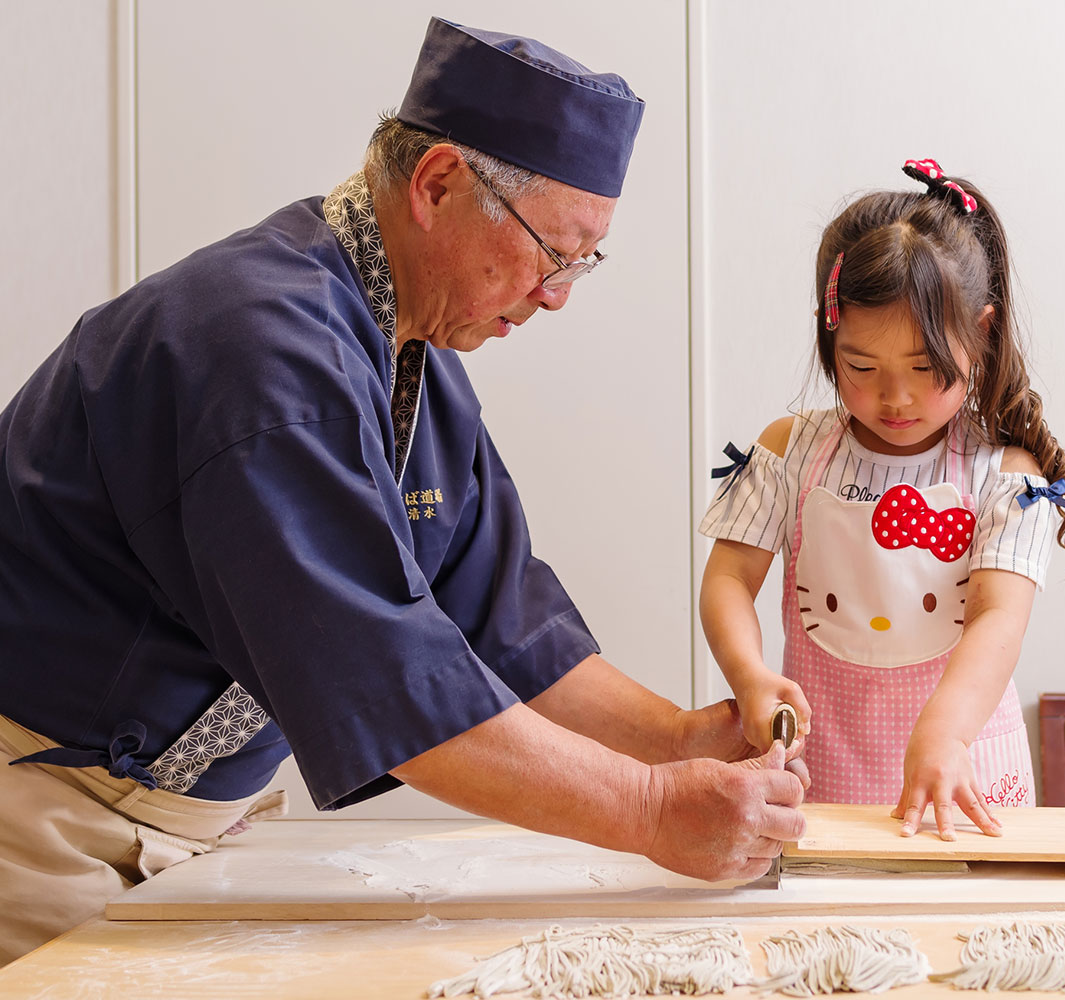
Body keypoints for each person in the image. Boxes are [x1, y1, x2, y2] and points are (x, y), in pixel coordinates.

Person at [0, 18, 805, 965]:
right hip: (51, 816)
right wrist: (650, 811)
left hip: (204, 825)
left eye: (585, 263)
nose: (558, 295)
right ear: (439, 185)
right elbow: (380, 669)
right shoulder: (255, 345)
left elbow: (500, 622)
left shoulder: (412, 354)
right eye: (556, 252)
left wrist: (674, 742)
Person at [698, 158, 1065, 840]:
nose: (896, 396)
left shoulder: (1008, 475)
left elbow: (1000, 618)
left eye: (925, 368)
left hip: (963, 775)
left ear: (983, 333)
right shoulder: (789, 450)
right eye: (862, 367)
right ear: (830, 338)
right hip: (822, 770)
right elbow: (729, 580)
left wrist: (945, 733)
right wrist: (750, 676)